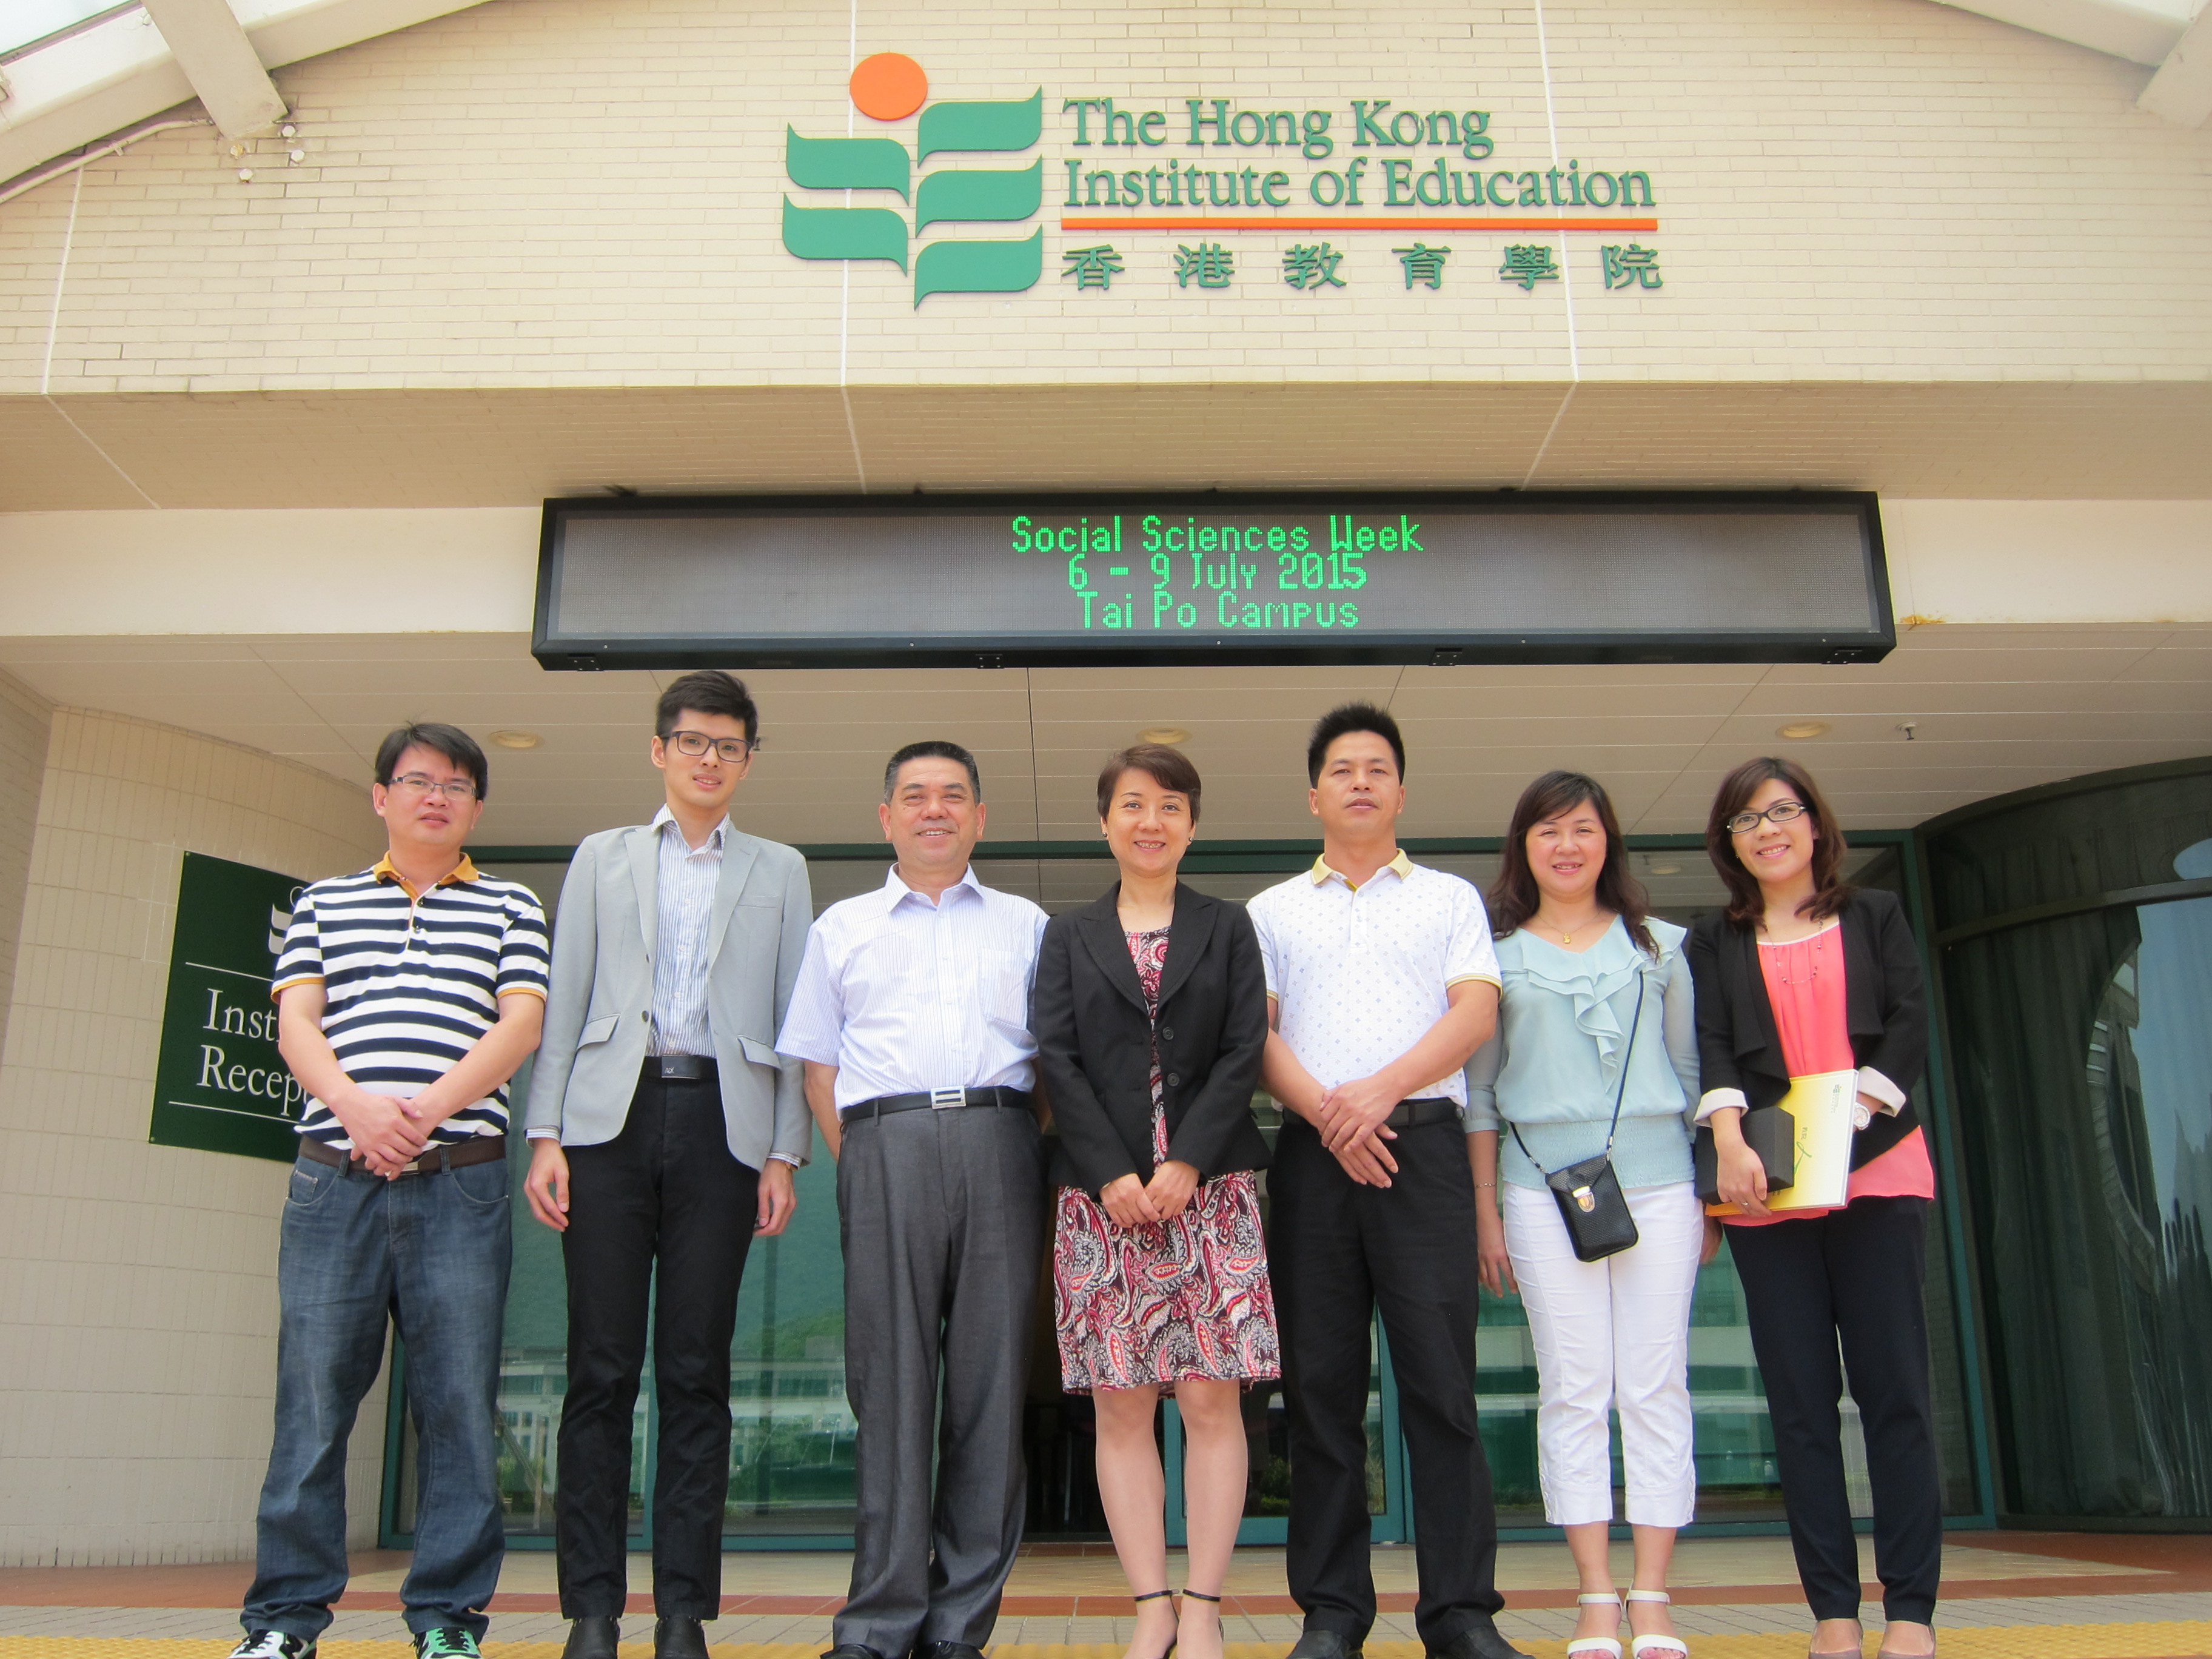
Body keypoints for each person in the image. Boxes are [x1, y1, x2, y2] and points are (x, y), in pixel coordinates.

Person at [233, 723, 548, 1659]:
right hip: (334, 1178)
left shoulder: (512, 904)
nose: (435, 797)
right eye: (417, 781)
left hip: (460, 1180)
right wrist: (354, 1108)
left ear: (478, 808)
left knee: (457, 1406)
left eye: (456, 786)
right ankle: (284, 1623)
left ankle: (447, 1621)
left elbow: (520, 1026)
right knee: (313, 1404)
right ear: (381, 797)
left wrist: (423, 1112)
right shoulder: (322, 902)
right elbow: (297, 1024)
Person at [522, 671, 813, 1659]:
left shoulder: (780, 868)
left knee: (696, 1371)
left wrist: (784, 1151)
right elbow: (565, 996)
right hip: (607, 1122)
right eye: (692, 741)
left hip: (725, 1126)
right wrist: (546, 1132)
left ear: (747, 761)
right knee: (600, 1370)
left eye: (728, 746)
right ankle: (592, 1613)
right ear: (660, 750)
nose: (708, 760)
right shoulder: (601, 856)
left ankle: (684, 1612)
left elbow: (791, 1016)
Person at [1250, 702, 1525, 1659]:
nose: (1360, 782)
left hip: (1426, 1154)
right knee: (1320, 1391)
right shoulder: (1272, 910)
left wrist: (1378, 1094)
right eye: (1342, 769)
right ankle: (1333, 1613)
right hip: (1313, 1162)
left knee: (1442, 1389)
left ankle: (1461, 1615)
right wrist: (1335, 1118)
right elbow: (1260, 1038)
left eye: (1377, 769)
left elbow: (1474, 1013)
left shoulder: (1449, 899)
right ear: (1313, 796)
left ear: (1401, 792)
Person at [777, 740, 1050, 1659]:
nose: (935, 809)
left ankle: (961, 1626)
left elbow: (1055, 1066)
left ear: (980, 818)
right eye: (916, 796)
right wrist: (865, 1159)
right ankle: (878, 1622)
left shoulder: (1026, 924)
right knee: (888, 1388)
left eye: (954, 795)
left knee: (990, 1388)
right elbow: (819, 1069)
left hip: (1000, 1142)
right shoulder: (841, 927)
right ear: (886, 817)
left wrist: (1008, 1139)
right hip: (881, 1145)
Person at [1688, 757, 1940, 1659]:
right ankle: (1833, 1611)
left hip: (1879, 1175)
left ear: (1815, 822)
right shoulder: (1713, 941)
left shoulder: (1875, 913)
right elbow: (1713, 1045)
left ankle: (1910, 1613)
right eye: (1746, 820)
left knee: (1895, 1397)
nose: (1768, 831)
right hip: (1768, 1189)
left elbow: (1909, 1020)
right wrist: (1728, 1144)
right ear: (1729, 844)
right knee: (1800, 1408)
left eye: (1782, 811)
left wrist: (1851, 1118)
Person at [1034, 745, 1278, 1659]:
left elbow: (1244, 1049)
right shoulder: (1068, 935)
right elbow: (1056, 1057)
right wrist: (1111, 1172)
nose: (1151, 821)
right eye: (1133, 804)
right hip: (1101, 1205)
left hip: (1211, 1198)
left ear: (1192, 825)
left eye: (1171, 805)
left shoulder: (1229, 926)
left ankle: (1204, 1606)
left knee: (1213, 1403)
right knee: (1121, 1407)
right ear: (1105, 822)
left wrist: (1189, 1161)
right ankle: (1151, 1608)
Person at [1465, 772, 1712, 1659]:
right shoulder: (1493, 959)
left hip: (1660, 1184)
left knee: (1655, 1384)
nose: (1566, 846)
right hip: (1539, 1190)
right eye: (1547, 831)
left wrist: (1707, 1195)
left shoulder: (1662, 949)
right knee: (1573, 1387)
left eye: (1583, 828)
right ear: (1522, 847)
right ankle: (1596, 1598)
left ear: (1609, 841)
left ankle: (1654, 1597)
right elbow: (1480, 1098)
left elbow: (1691, 1078)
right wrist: (1486, 1213)